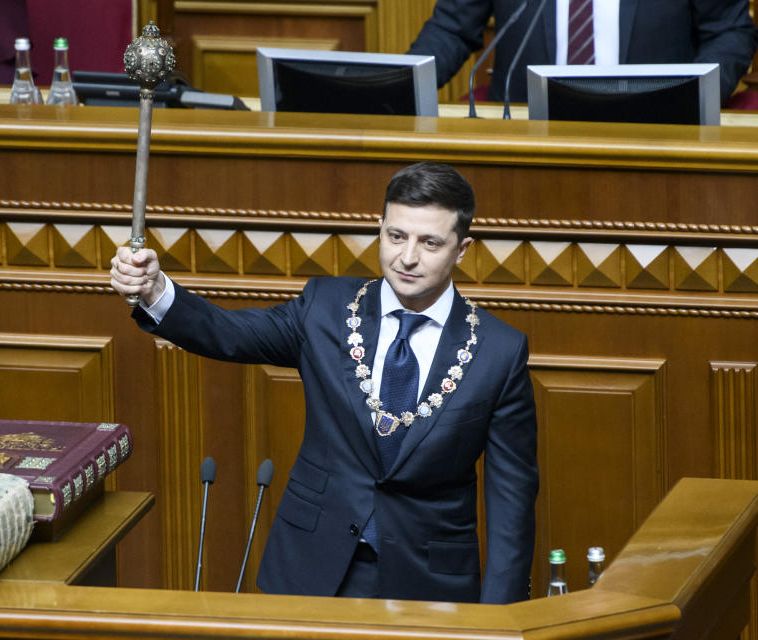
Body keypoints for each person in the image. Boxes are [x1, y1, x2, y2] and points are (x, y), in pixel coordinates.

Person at [110, 162, 538, 603]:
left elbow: (513, 501)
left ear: (462, 248)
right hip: (310, 566)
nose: (407, 257)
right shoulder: (326, 307)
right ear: (380, 227)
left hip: (429, 583)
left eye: (430, 243)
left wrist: (500, 618)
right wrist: (156, 291)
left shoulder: (499, 352)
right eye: (396, 236)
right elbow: (230, 334)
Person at [408, 0, 758, 105]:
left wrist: (690, 96)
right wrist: (399, 86)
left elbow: (730, 32)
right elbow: (452, 28)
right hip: (523, 138)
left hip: (654, 132)